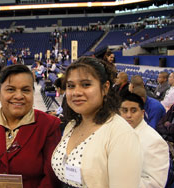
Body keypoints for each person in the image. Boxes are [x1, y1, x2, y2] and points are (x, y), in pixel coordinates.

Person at [0, 64, 61, 188]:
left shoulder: (49, 125)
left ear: (32, 93)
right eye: (10, 89)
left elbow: (51, 179)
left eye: (25, 90)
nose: (18, 96)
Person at [51, 56, 142, 188]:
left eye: (86, 84)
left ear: (105, 88)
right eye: (71, 86)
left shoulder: (121, 134)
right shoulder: (72, 125)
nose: (76, 92)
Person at [120, 93, 170, 188]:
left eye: (133, 111)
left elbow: (155, 184)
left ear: (142, 113)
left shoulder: (155, 142)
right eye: (124, 110)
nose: (128, 115)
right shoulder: (116, 132)